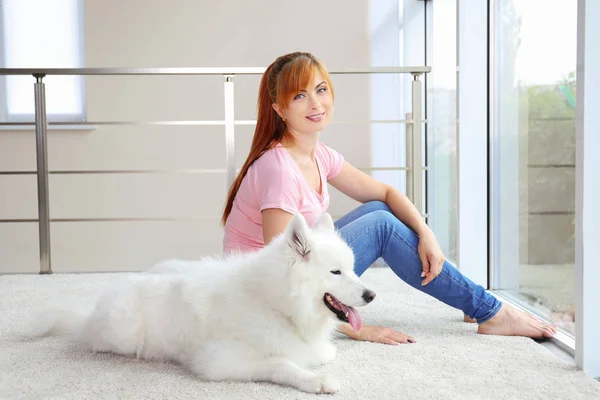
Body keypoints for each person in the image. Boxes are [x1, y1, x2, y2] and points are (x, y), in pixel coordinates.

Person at [220, 51, 557, 345]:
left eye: (321, 90)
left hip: (299, 277)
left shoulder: (318, 154)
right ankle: (488, 310)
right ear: (280, 109)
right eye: (300, 96)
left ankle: (472, 301)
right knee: (382, 224)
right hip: (264, 300)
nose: (315, 103)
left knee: (380, 209)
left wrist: (428, 235)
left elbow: (386, 192)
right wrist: (354, 327)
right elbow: (280, 273)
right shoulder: (278, 169)